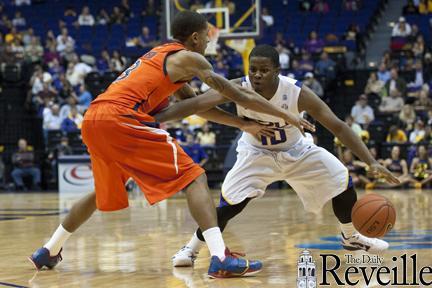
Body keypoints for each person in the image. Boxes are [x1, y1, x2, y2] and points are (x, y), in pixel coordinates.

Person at [29, 11, 313, 278]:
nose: (210, 43)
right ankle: (220, 257)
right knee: (195, 178)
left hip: (94, 119)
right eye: (207, 37)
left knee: (99, 193)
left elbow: (196, 107)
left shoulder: (164, 58)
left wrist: (242, 124)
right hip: (120, 118)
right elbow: (234, 92)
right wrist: (286, 113)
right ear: (195, 38)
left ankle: (48, 250)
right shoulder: (191, 58)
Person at [152, 45, 400, 267]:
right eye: (254, 69)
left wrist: (371, 161)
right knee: (229, 207)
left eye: (264, 70)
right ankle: (191, 249)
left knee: (341, 180)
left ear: (277, 71)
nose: (257, 75)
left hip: (297, 151)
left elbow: (338, 126)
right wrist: (154, 119)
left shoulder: (296, 93)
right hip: (256, 153)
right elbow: (197, 105)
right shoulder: (237, 86)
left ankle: (350, 236)